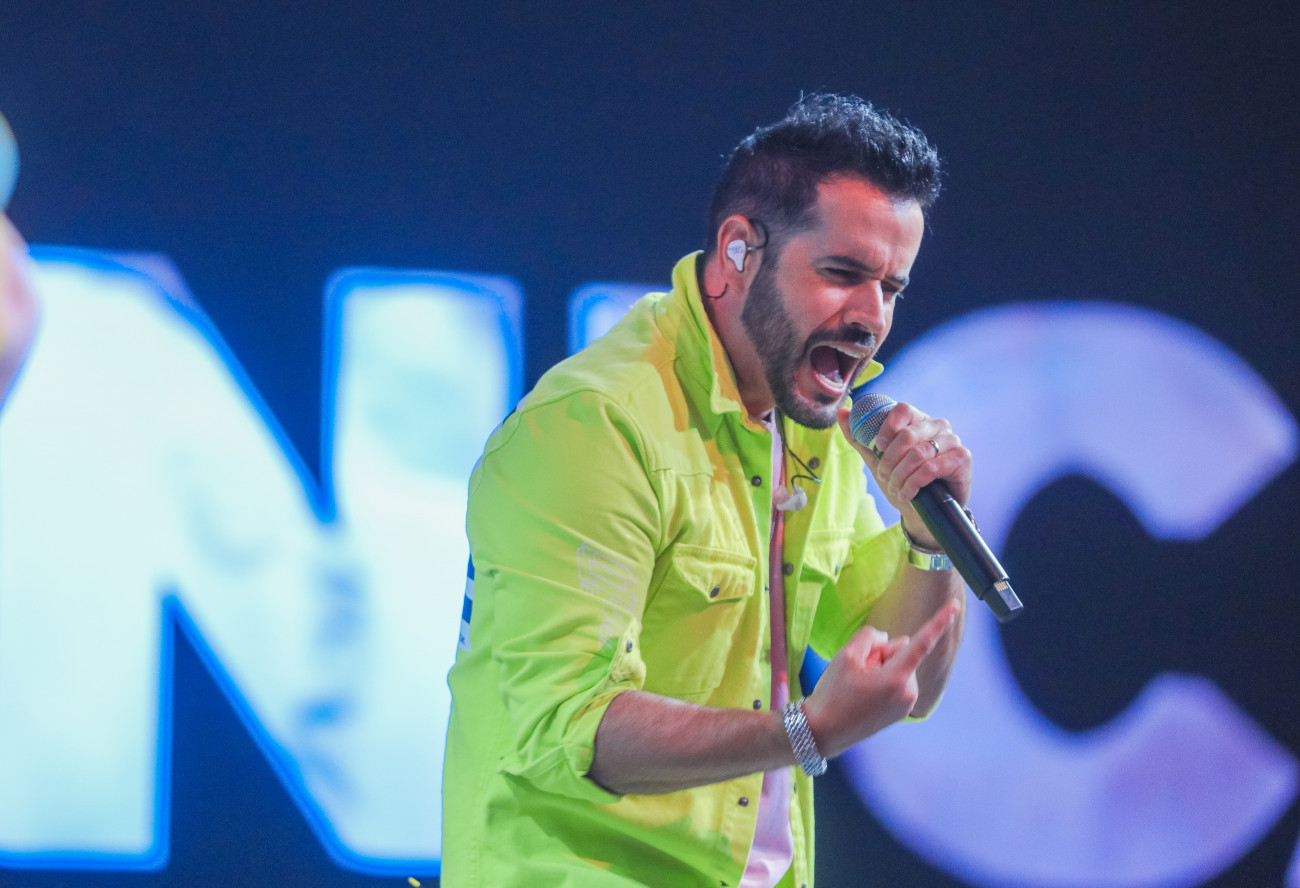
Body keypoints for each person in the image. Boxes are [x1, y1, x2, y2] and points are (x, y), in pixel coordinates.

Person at [443, 94, 969, 887]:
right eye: (842, 274)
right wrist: (805, 731)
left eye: (892, 287)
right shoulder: (595, 426)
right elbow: (571, 726)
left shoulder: (811, 420)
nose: (872, 318)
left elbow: (911, 683)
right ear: (738, 250)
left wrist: (929, 540)